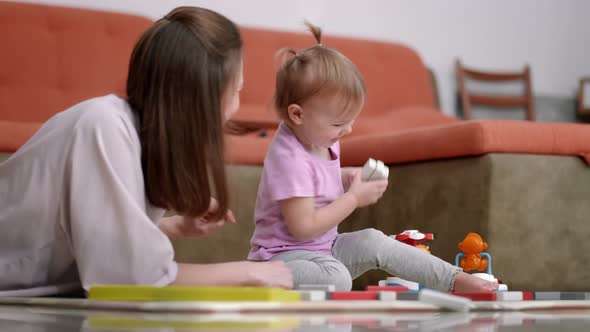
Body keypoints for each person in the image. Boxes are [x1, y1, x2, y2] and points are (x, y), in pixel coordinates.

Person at [0, 6, 292, 296]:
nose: (235, 108)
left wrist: (167, 227)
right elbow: (131, 280)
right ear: (201, 96)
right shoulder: (103, 126)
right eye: (236, 91)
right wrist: (248, 272)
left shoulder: (137, 137)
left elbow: (93, 241)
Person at [247, 22, 498, 293]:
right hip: (284, 259)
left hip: (325, 250)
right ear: (297, 114)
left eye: (350, 121)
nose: (348, 130)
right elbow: (304, 227)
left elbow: (316, 181)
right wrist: (353, 198)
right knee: (337, 277)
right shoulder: (289, 158)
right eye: (338, 124)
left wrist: (345, 176)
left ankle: (454, 280)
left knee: (374, 241)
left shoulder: (321, 136)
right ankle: (257, 281)